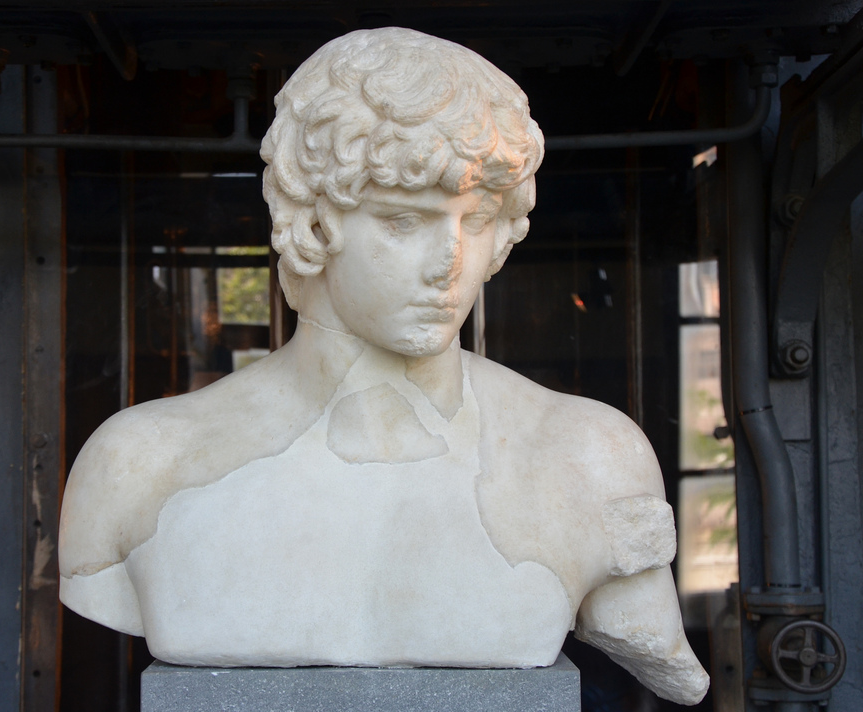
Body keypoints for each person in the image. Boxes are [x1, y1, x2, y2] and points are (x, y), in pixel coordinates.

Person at [59, 27, 709, 705]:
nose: (448, 265)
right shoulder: (136, 466)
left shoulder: (591, 456)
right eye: (403, 221)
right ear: (310, 225)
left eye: (478, 218)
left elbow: (656, 651)